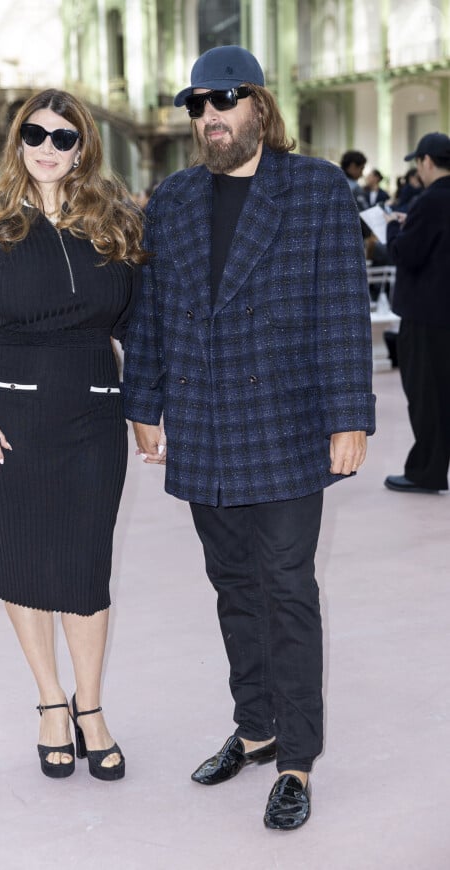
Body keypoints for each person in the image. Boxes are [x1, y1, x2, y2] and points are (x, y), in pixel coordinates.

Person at [122, 45, 375, 830]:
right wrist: (144, 404)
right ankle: (256, 725)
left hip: (289, 425)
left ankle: (296, 756)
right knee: (232, 585)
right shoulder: (172, 198)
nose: (210, 117)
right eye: (198, 105)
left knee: (286, 590)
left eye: (225, 100)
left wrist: (349, 415)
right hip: (205, 424)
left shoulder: (316, 189)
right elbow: (153, 311)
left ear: (259, 105)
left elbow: (342, 308)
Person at [0, 88, 146, 781]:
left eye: (64, 137)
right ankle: (51, 702)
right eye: (35, 135)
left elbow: (138, 327)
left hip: (93, 415)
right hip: (9, 423)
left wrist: (153, 402)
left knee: (85, 568)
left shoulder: (111, 225)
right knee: (23, 561)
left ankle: (91, 707)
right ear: (17, 142)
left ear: (83, 147)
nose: (48, 149)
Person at [384, 132, 450, 494]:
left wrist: (394, 227)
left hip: (425, 316)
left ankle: (426, 471)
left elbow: (406, 255)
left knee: (426, 396)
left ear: (426, 161)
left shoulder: (430, 202)